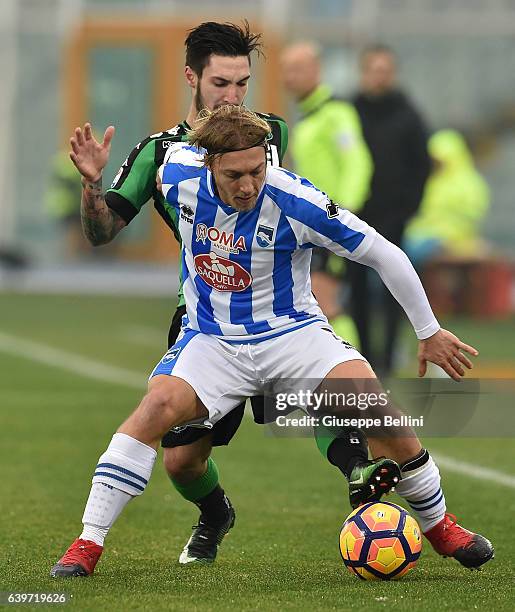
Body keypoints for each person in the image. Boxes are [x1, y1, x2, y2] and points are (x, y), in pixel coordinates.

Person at [51, 105, 493, 578]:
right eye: (234, 174)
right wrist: (94, 183)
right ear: (207, 164)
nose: (247, 185)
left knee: (373, 405)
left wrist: (428, 331)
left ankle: (440, 526)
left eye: (256, 171)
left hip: (292, 334)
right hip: (212, 339)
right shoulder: (176, 172)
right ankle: (88, 542)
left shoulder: (295, 199)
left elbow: (384, 253)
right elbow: (103, 228)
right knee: (156, 411)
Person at [62, 21, 381, 567]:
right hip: (207, 320)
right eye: (220, 84)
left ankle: (360, 471)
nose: (233, 97)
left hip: (278, 311)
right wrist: (92, 186)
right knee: (182, 461)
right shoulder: (158, 154)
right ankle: (215, 513)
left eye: (242, 84)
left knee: (316, 389)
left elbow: (298, 208)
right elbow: (101, 234)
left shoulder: (270, 133)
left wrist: (322, 265)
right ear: (191, 77)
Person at [280, 41, 372, 345]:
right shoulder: (310, 115)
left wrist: (343, 212)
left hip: (328, 221)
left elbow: (357, 161)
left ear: (316, 70)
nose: (288, 77)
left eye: (297, 69)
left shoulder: (336, 113)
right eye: (286, 70)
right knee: (317, 302)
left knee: (326, 302)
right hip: (311, 222)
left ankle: (356, 382)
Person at [349, 44, 432, 375]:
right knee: (356, 289)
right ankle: (365, 354)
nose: (379, 76)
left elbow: (421, 165)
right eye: (374, 70)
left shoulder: (408, 114)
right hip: (353, 216)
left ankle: (388, 357)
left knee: (395, 287)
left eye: (385, 70)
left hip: (393, 215)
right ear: (364, 72)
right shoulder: (348, 111)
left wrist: (408, 208)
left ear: (392, 73)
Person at [404, 129, 490, 269]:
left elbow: (472, 216)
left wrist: (452, 236)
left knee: (408, 255)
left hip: (449, 239)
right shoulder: (430, 181)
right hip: (421, 236)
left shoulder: (470, 183)